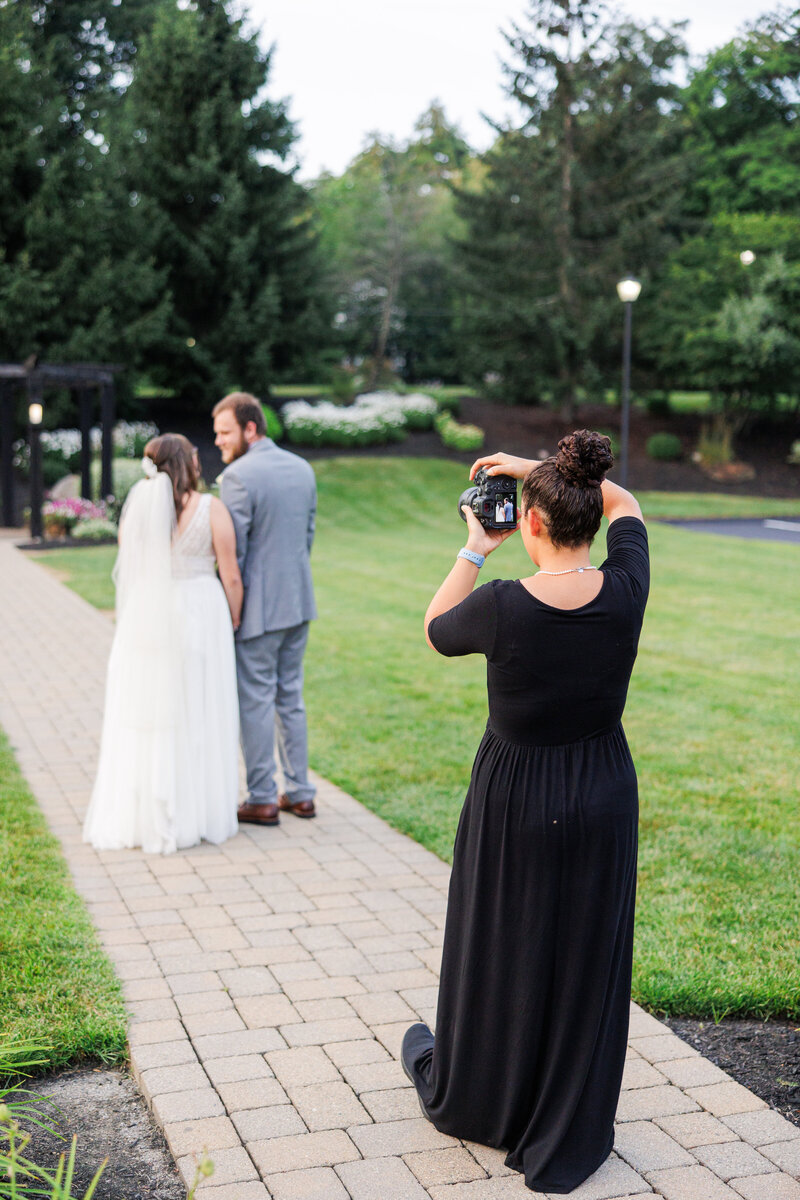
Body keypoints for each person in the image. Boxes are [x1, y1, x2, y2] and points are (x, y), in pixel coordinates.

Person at [401, 430, 649, 1195]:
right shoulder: (627, 586)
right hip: (605, 791)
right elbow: (626, 500)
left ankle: (488, 1092)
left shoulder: (502, 606)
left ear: (530, 525)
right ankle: (565, 1107)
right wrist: (543, 470)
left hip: (515, 797)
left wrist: (477, 546)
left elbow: (436, 628)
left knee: (504, 938)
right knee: (582, 951)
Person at [84, 434, 242, 854]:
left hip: (149, 616)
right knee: (199, 707)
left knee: (155, 713)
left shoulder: (137, 511)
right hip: (201, 614)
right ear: (185, 463)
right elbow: (230, 574)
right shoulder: (211, 508)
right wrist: (236, 615)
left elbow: (132, 564)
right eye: (193, 454)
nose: (198, 457)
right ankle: (199, 811)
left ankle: (150, 813)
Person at [213, 392, 317, 825]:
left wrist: (231, 609)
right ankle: (300, 793)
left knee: (255, 700)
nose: (217, 441)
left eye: (224, 432)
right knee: (289, 697)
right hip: (298, 602)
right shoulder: (302, 468)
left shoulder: (236, 477)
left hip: (257, 610)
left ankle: (261, 797)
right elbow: (307, 536)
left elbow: (231, 556)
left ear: (250, 428)